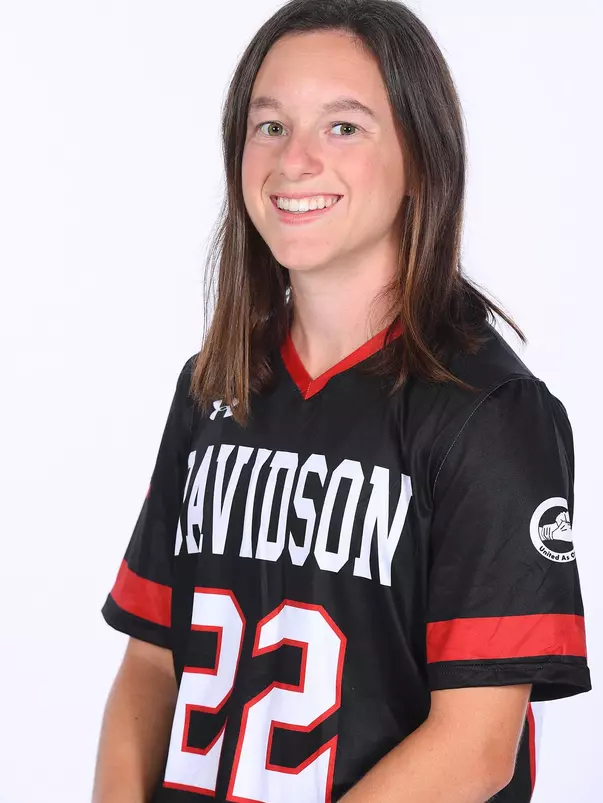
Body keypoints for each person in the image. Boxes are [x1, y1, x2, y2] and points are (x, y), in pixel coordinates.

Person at [92, 1, 592, 801]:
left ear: (420, 159)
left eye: (344, 127)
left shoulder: (487, 412)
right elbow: (151, 663)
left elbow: (475, 746)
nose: (294, 163)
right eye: (270, 126)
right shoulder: (210, 388)